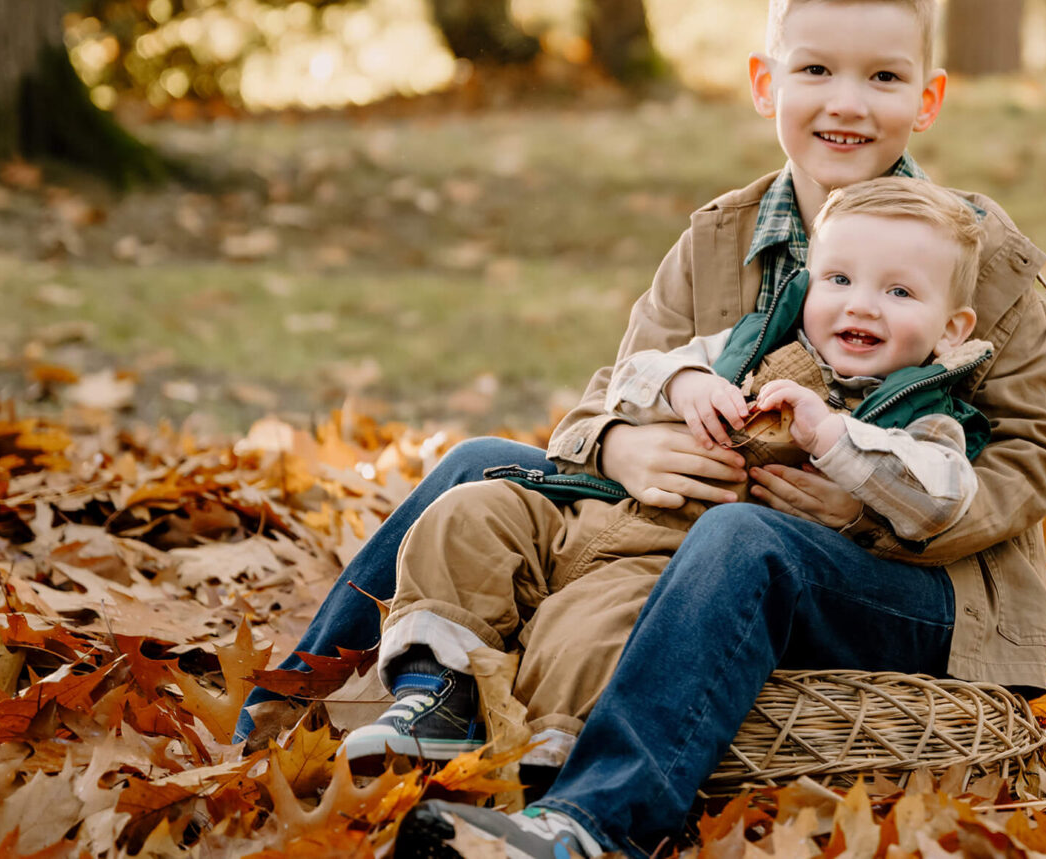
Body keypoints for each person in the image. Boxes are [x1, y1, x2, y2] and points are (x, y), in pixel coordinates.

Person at [393, 0, 1046, 859]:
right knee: (478, 466)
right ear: (767, 82)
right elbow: (620, 382)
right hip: (704, 522)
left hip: (912, 580)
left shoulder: (978, 257)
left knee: (740, 537)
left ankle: (589, 825)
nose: (846, 101)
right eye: (816, 69)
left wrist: (866, 504)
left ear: (927, 97)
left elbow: (1033, 456)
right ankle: (329, 710)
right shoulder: (721, 237)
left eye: (882, 75)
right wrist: (625, 444)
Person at [342, 177, 993, 765]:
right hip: (589, 515)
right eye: (839, 280)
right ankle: (435, 690)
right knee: (468, 515)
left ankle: (546, 746)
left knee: (588, 628)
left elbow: (938, 496)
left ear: (950, 330)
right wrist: (683, 383)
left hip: (664, 562)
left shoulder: (922, 412)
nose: (863, 306)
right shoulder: (750, 346)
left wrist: (830, 435)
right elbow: (632, 372)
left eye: (899, 290)